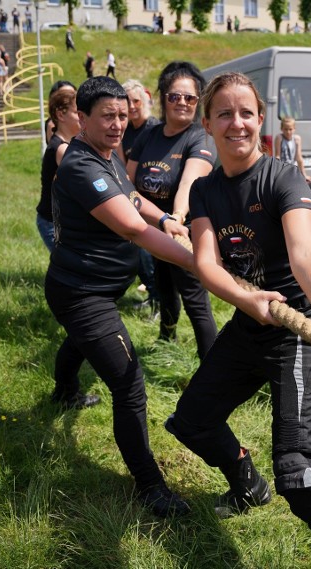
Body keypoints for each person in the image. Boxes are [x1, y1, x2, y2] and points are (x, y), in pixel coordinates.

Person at [164, 70, 311, 569]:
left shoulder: (282, 177)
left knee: (300, 474)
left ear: (261, 120)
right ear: (208, 124)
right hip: (250, 326)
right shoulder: (207, 191)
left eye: (247, 113)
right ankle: (247, 484)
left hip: (298, 333)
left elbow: (306, 254)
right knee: (191, 422)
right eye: (225, 114)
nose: (238, 123)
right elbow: (206, 262)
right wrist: (247, 301)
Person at [45, 76, 194, 517]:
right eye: (106, 116)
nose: (116, 124)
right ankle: (150, 486)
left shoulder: (107, 156)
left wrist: (167, 216)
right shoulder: (79, 166)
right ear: (82, 118)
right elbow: (130, 226)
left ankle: (65, 391)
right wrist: (196, 262)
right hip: (80, 292)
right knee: (128, 384)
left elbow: (134, 198)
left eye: (122, 116)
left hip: (99, 289)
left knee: (80, 342)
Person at [126, 61, 219, 359]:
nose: (182, 102)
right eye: (175, 96)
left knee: (196, 301)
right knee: (165, 289)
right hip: (154, 231)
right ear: (163, 97)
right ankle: (166, 340)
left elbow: (190, 185)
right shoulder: (149, 134)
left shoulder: (200, 138)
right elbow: (128, 181)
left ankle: (212, 365)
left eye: (190, 97)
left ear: (198, 102)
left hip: (184, 234)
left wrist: (176, 217)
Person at [122, 79, 162, 313]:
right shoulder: (125, 129)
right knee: (140, 253)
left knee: (149, 253)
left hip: (154, 201)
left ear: (145, 101)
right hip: (132, 198)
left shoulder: (154, 128)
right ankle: (154, 296)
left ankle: (159, 301)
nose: (132, 106)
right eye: (128, 101)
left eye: (136, 101)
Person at [37, 88, 81, 251]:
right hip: (53, 224)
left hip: (60, 222)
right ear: (60, 115)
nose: (82, 117)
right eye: (77, 113)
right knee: (72, 269)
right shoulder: (61, 149)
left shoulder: (69, 144)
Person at [274, 117, 311, 181]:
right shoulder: (279, 138)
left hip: (293, 169)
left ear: (294, 129)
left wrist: (304, 175)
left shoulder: (297, 139)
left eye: (290, 129)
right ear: (281, 129)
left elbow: (299, 158)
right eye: (285, 129)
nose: (288, 132)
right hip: (282, 170)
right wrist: (275, 172)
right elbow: (277, 156)